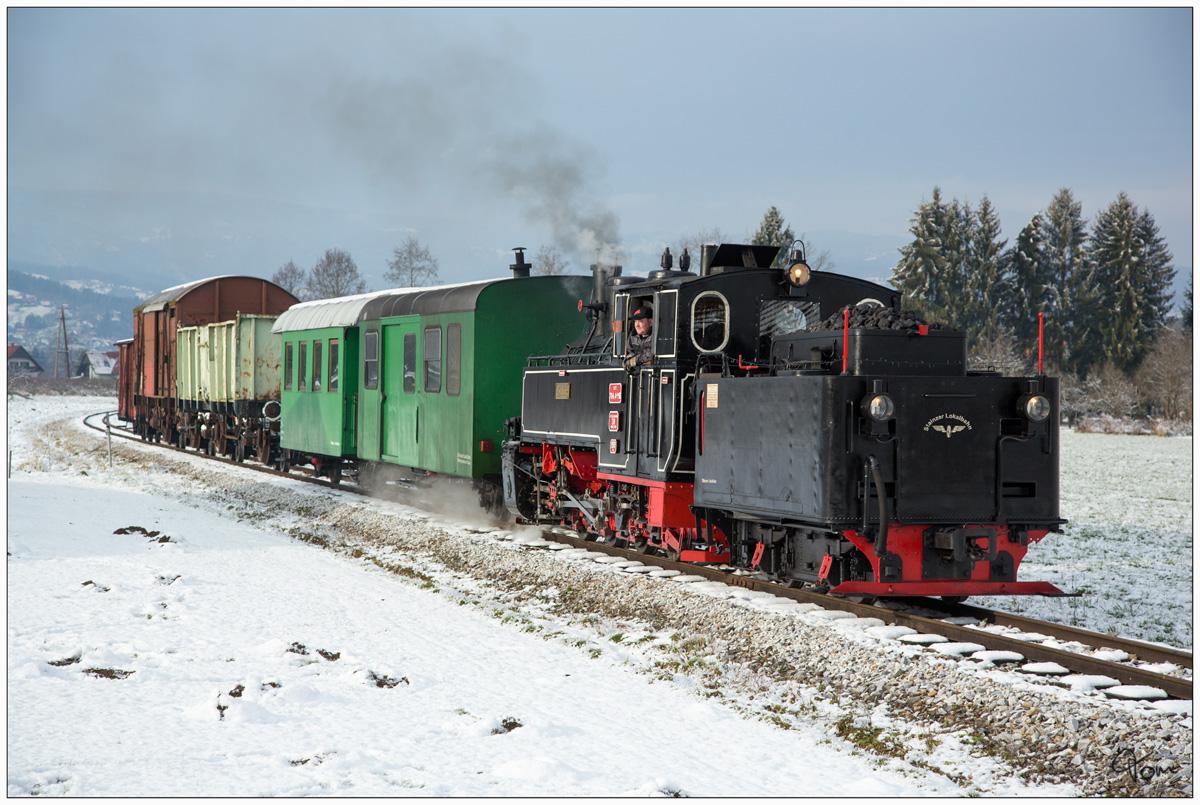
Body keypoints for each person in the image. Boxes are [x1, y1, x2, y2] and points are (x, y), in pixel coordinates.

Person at [624, 305, 653, 372]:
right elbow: (630, 351)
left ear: (651, 322)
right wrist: (628, 359)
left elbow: (651, 355)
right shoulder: (633, 335)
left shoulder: (656, 336)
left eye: (640, 321)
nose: (637, 325)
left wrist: (635, 360)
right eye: (635, 321)